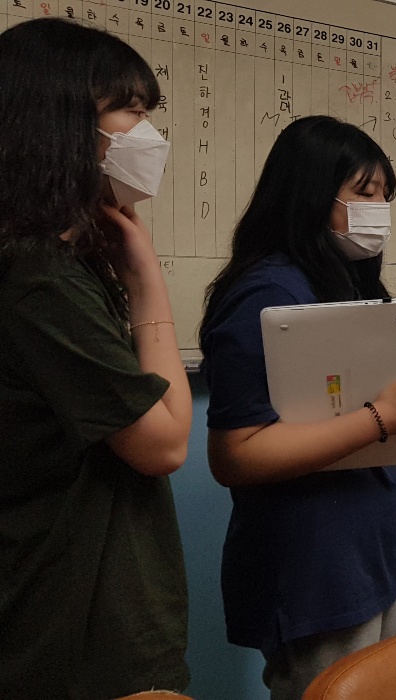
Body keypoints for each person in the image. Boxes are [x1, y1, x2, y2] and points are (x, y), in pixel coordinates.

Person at [200, 115, 396, 699]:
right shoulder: (269, 292)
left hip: (369, 559)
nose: (379, 209)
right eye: (364, 192)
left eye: (384, 195)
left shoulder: (338, 281)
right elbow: (236, 455)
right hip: (317, 572)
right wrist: (382, 418)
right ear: (310, 194)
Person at [0, 18, 191, 697]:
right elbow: (164, 441)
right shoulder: (40, 279)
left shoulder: (63, 264)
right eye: (130, 112)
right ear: (59, 123)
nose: (149, 135)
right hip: (79, 634)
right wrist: (147, 282)